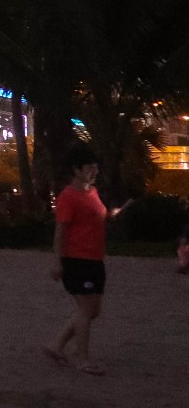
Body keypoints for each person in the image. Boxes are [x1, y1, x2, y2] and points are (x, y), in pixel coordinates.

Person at [45, 146, 126, 374]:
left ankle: (56, 345)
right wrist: (57, 261)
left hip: (94, 258)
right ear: (76, 170)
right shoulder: (68, 196)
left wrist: (109, 215)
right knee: (86, 309)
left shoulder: (93, 192)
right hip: (76, 259)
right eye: (89, 168)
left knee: (93, 310)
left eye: (96, 167)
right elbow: (60, 231)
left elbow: (94, 217)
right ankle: (82, 358)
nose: (94, 171)